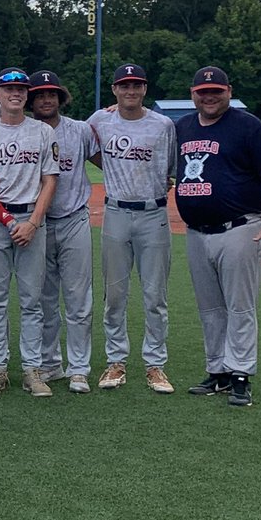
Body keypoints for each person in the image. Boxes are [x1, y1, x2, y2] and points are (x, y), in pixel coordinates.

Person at [175, 66, 261, 408]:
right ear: (192, 93)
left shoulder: (247, 125)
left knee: (239, 306)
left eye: (216, 91)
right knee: (210, 307)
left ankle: (240, 374)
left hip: (239, 228)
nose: (209, 96)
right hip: (196, 232)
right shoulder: (182, 127)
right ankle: (218, 371)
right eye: (203, 91)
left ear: (229, 92)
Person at [0, 68, 59, 397]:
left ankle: (32, 370)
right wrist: (9, 221)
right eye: (9, 89)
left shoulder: (42, 133)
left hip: (32, 218)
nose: (15, 94)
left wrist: (33, 222)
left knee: (32, 300)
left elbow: (50, 180)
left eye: (21, 89)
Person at [87, 64, 177, 394]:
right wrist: (110, 166)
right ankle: (116, 361)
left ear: (144, 88)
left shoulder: (162, 124)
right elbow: (85, 147)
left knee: (155, 295)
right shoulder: (100, 120)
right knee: (115, 294)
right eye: (124, 86)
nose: (130, 91)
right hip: (116, 212)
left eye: (136, 85)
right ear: (114, 89)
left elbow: (170, 169)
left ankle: (155, 364)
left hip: (153, 213)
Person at [28, 71, 97, 394]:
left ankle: (79, 367)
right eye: (40, 95)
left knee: (78, 298)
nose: (46, 100)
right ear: (31, 100)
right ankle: (49, 363)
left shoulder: (80, 130)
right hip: (36, 223)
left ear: (60, 97)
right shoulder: (26, 132)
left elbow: (104, 159)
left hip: (73, 218)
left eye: (51, 94)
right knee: (43, 299)